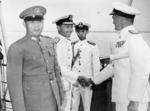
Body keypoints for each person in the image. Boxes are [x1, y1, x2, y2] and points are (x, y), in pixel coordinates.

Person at [92, 2, 150, 111]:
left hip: (134, 99)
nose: (113, 21)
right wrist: (93, 80)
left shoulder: (134, 38)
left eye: (114, 18)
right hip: (123, 97)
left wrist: (134, 100)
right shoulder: (121, 39)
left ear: (121, 20)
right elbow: (115, 66)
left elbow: (141, 70)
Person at [7, 6, 64, 111]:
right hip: (33, 104)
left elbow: (56, 72)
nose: (37, 26)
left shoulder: (49, 42)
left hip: (53, 100)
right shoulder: (17, 48)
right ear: (25, 24)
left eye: (39, 22)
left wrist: (61, 96)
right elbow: (15, 86)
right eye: (32, 22)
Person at [52, 15, 92, 111]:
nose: (70, 30)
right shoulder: (57, 43)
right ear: (58, 27)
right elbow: (59, 67)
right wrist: (77, 78)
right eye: (67, 27)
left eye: (71, 27)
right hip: (61, 85)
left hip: (68, 84)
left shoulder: (67, 42)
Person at [71, 22, 101, 111]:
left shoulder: (92, 46)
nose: (80, 33)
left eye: (83, 31)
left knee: (87, 106)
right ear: (76, 32)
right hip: (75, 79)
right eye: (78, 31)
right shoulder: (72, 45)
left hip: (87, 80)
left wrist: (94, 80)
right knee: (74, 105)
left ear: (87, 32)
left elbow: (96, 64)